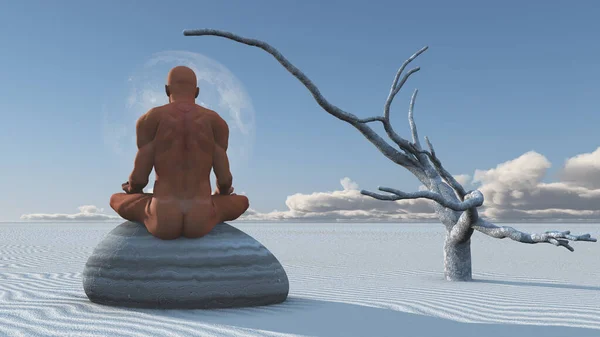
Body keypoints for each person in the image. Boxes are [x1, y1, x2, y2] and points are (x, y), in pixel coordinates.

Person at [109, 66, 249, 240]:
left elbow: (139, 179)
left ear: (167, 90)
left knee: (115, 198)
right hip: (201, 218)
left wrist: (131, 189)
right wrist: (221, 193)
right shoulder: (216, 122)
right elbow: (225, 180)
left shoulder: (151, 119)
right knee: (243, 201)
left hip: (161, 218)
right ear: (196, 92)